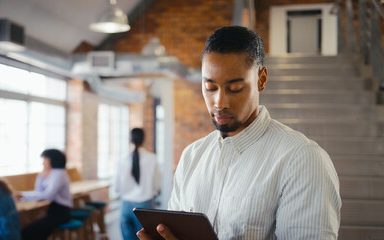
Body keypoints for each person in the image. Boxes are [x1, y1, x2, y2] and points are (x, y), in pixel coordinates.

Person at [137, 26, 341, 240]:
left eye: (234, 88)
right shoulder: (191, 156)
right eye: (210, 87)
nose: (220, 103)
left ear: (261, 79)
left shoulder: (302, 160)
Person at [113, 128, 161, 240]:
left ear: (130, 139)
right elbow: (157, 186)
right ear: (144, 139)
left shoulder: (122, 160)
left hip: (126, 206)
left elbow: (116, 187)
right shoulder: (152, 158)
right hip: (145, 208)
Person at [14, 149, 72, 240]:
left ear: (52, 159)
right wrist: (41, 176)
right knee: (33, 230)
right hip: (55, 211)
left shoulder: (59, 174)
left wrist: (23, 195)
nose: (43, 163)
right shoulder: (54, 173)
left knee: (27, 232)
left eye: (45, 160)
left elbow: (46, 195)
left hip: (61, 212)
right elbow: (39, 192)